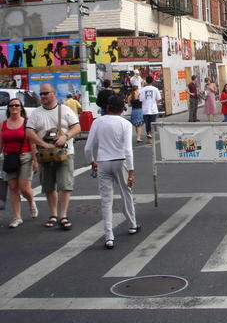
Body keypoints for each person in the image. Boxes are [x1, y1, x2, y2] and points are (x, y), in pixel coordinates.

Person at [85, 95, 140, 249]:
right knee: (126, 193)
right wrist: (131, 170)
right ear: (122, 108)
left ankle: (109, 235)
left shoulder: (98, 122)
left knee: (106, 200)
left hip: (103, 161)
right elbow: (128, 150)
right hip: (120, 161)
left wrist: (92, 161)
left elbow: (88, 147)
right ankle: (132, 224)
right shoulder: (125, 124)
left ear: (107, 107)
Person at [26, 84, 80, 230]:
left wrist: (66, 136)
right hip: (45, 155)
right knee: (48, 186)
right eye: (41, 94)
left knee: (65, 185)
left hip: (64, 153)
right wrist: (43, 144)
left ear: (54, 94)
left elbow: (77, 127)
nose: (42, 96)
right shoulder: (36, 113)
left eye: (45, 93)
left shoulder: (65, 110)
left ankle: (63, 215)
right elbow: (29, 132)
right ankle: (53, 214)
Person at [1, 98, 38, 228]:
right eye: (12, 105)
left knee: (24, 187)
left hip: (25, 156)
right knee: (12, 187)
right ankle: (17, 217)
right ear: (8, 108)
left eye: (17, 105)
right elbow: (1, 143)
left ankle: (31, 200)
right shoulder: (4, 124)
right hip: (9, 157)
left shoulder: (26, 124)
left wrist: (35, 161)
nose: (14, 107)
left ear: (21, 108)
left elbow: (32, 143)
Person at [140, 76, 162, 140]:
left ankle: (148, 135)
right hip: (153, 109)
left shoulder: (142, 90)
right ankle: (153, 135)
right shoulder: (155, 89)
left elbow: (140, 99)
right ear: (152, 81)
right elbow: (158, 98)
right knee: (153, 123)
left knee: (147, 124)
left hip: (145, 109)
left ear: (146, 81)